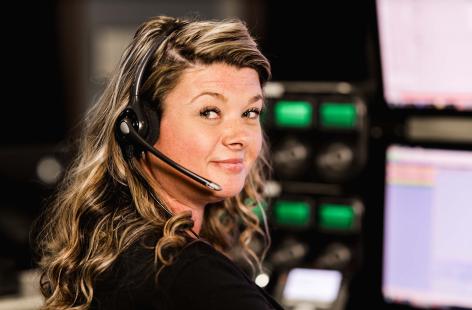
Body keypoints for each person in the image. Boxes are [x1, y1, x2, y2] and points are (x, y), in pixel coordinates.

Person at [36, 15, 284, 310]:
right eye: (209, 112)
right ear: (142, 128)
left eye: (250, 113)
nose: (239, 137)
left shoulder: (115, 251)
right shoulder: (191, 275)